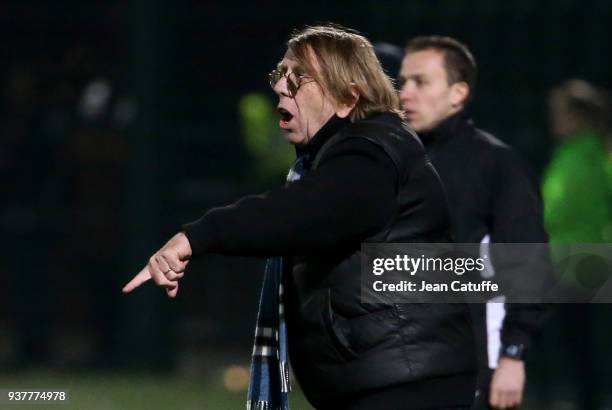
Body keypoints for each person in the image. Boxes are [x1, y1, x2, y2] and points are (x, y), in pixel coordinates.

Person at [123, 25, 477, 410]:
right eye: (280, 74)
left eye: (299, 77)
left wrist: (198, 235)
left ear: (348, 98)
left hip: (404, 385)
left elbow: (298, 213)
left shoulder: (372, 152)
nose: (280, 86)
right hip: (394, 377)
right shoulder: (345, 154)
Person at [398, 36, 549, 410]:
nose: (405, 94)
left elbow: (527, 262)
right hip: (396, 361)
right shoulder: (393, 160)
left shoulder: (497, 163)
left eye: (421, 82)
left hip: (469, 361)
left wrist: (514, 353)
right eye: (402, 82)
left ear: (458, 93)